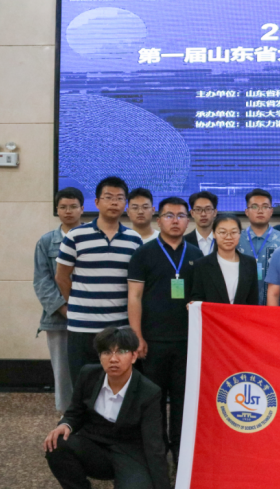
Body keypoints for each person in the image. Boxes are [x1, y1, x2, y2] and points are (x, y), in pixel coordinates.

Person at [43, 326, 170, 490]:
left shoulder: (149, 392)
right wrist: (65, 424)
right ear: (100, 356)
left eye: (122, 352)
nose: (113, 359)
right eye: (107, 352)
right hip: (94, 447)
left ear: (134, 356)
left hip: (129, 453)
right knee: (57, 443)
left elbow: (154, 445)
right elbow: (75, 412)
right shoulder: (88, 374)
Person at [127, 197, 204, 464]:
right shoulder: (143, 253)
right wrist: (137, 336)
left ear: (188, 220)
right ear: (158, 220)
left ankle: (182, 455)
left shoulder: (196, 255)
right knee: (154, 401)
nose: (175, 221)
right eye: (169, 215)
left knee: (184, 401)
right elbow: (134, 296)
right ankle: (156, 455)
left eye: (181, 216)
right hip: (153, 341)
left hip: (187, 342)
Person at [56, 177, 143, 385]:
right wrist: (78, 303)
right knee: (83, 385)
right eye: (108, 197)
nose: (114, 202)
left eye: (119, 198)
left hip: (119, 328)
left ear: (125, 204)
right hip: (82, 328)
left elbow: (135, 286)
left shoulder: (134, 240)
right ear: (96, 202)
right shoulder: (75, 236)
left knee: (118, 384)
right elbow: (61, 277)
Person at [34, 187, 84, 415]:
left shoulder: (91, 237)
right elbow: (42, 282)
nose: (68, 211)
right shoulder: (46, 242)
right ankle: (67, 416)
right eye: (63, 207)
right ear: (57, 210)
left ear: (82, 209)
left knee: (91, 367)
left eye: (73, 206)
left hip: (90, 316)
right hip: (58, 319)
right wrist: (64, 309)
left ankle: (92, 416)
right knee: (63, 371)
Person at [190, 214, 259, 305]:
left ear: (239, 234)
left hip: (241, 314)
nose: (228, 237)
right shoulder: (201, 265)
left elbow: (253, 301)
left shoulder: (250, 263)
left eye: (233, 232)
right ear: (214, 234)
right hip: (213, 314)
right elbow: (197, 298)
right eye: (223, 232)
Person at [236, 189, 280, 305]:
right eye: (254, 207)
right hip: (241, 305)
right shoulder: (237, 239)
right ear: (246, 212)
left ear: (271, 211)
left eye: (265, 207)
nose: (260, 211)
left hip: (275, 305)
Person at [185, 191, 218, 256]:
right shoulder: (184, 242)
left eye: (208, 209)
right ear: (192, 213)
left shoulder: (224, 240)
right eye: (198, 209)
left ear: (214, 212)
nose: (203, 214)